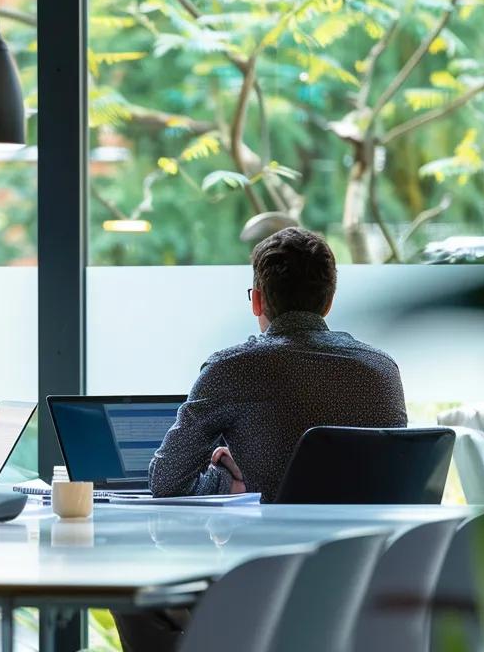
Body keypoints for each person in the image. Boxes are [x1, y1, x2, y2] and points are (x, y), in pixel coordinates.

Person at [116, 228, 410, 652]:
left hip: (267, 596)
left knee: (134, 594)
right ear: (328, 301)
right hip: (367, 596)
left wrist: (224, 481)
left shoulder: (235, 368)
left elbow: (167, 481)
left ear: (256, 299)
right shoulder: (382, 370)